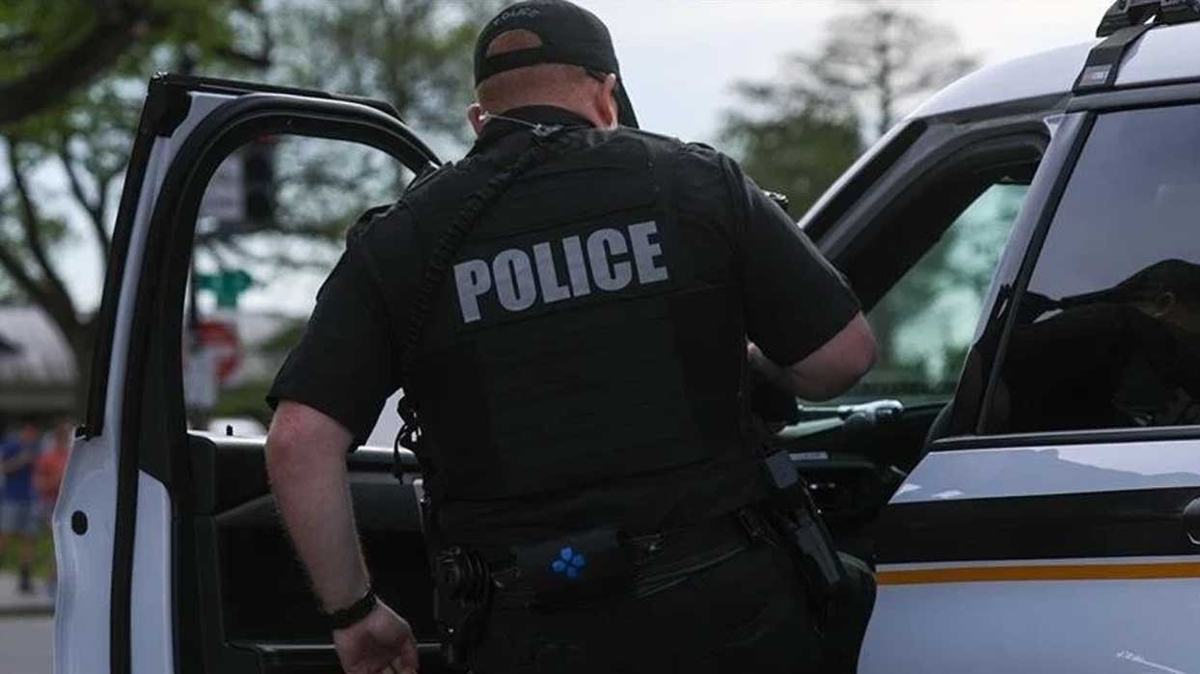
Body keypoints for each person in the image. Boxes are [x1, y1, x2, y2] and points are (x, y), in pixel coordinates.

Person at [264, 2, 876, 673]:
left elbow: (299, 443)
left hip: (526, 624)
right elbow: (840, 358)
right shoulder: (696, 182)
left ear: (480, 120)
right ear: (607, 93)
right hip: (724, 603)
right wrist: (752, 363)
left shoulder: (404, 237)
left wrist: (355, 614)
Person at [0, 420, 42, 595]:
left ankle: (25, 578)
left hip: (30, 499)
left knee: (29, 538)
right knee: (5, 536)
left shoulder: (36, 449)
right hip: (11, 499)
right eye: (30, 432)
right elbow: (3, 468)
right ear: (24, 431)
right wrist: (21, 459)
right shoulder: (11, 446)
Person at [34, 420, 72, 596]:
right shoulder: (47, 458)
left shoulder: (72, 458)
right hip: (51, 505)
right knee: (57, 544)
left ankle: (59, 582)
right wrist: (55, 481)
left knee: (66, 546)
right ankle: (52, 582)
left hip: (69, 506)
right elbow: (38, 484)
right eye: (62, 437)